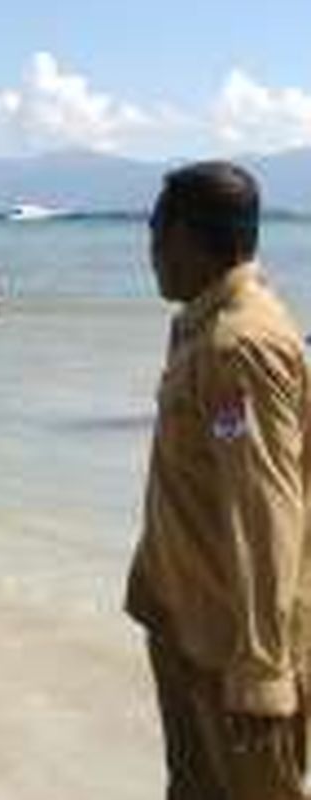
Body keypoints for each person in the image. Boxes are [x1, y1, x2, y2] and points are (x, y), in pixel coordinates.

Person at [125, 161, 311, 799]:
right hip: (187, 620)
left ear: (188, 238)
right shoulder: (199, 325)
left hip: (232, 644)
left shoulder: (238, 345)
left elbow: (266, 505)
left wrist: (262, 672)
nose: (148, 250)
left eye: (155, 231)